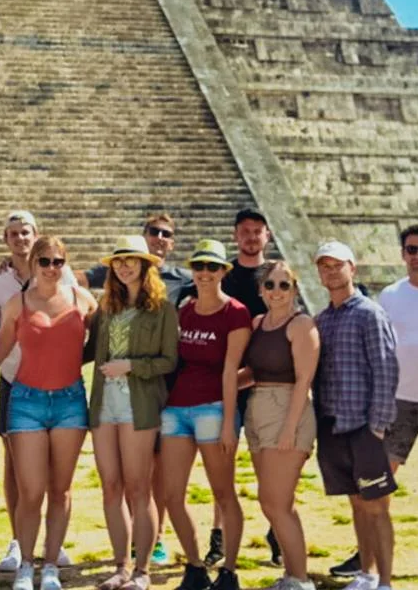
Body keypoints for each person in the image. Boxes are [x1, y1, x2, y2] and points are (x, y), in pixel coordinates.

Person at [331, 224, 418, 584]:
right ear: (403, 254)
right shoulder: (390, 295)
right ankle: (369, 551)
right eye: (412, 249)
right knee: (376, 481)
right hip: (397, 399)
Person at [0, 235, 97, 590]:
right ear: (33, 263)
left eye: (58, 261)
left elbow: (104, 341)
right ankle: (26, 564)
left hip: (70, 401)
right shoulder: (17, 303)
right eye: (45, 261)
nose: (52, 268)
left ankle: (51, 565)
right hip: (26, 401)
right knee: (31, 491)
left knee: (60, 489)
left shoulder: (83, 300)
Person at [0, 211, 78, 573]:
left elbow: (85, 318)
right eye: (14, 234)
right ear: (6, 240)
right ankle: (19, 541)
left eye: (26, 232)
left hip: (60, 386)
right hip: (15, 379)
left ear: (36, 236)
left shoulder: (63, 274)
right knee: (17, 467)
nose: (20, 238)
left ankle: (52, 542)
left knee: (56, 473)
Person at [176, 210, 277, 567]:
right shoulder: (218, 273)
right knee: (223, 466)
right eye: (245, 231)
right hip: (222, 385)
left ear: (267, 236)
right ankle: (218, 534)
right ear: (235, 235)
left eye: (257, 231)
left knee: (267, 462)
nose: (251, 237)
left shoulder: (275, 277)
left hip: (262, 383)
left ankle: (275, 527)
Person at [87, 236, 179, 590]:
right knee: (110, 487)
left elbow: (168, 361)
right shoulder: (105, 308)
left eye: (131, 260)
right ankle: (121, 566)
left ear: (145, 265)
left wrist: (131, 366)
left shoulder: (162, 309)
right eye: (118, 261)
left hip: (138, 406)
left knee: (139, 488)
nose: (124, 266)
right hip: (104, 405)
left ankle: (143, 571)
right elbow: (88, 349)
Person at [160, 239, 250, 590]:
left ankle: (229, 570)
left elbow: (230, 371)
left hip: (214, 408)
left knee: (223, 493)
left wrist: (228, 423)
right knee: (171, 495)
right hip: (176, 409)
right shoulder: (184, 310)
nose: (205, 273)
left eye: (212, 267)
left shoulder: (235, 313)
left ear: (223, 271)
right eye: (199, 266)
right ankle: (195, 566)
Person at [312, 241, 397, 590]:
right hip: (334, 424)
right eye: (325, 266)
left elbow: (386, 368)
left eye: (338, 265)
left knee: (376, 506)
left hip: (364, 426)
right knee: (358, 505)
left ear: (352, 268)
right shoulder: (322, 319)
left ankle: (385, 581)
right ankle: (367, 573)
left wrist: (378, 426)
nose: (331, 272)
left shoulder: (369, 313)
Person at [244, 260, 319, 590]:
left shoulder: (301, 325)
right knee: (272, 502)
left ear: (294, 290)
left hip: (288, 409)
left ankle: (300, 580)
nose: (276, 291)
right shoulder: (258, 323)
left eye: (284, 285)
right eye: (270, 284)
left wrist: (290, 428)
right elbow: (253, 372)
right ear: (261, 290)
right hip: (257, 410)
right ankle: (291, 574)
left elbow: (304, 379)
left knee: (276, 501)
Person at [82, 214, 193, 304]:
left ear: (172, 245)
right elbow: (81, 279)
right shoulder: (120, 269)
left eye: (166, 234)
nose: (160, 237)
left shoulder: (182, 278)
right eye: (154, 232)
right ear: (143, 237)